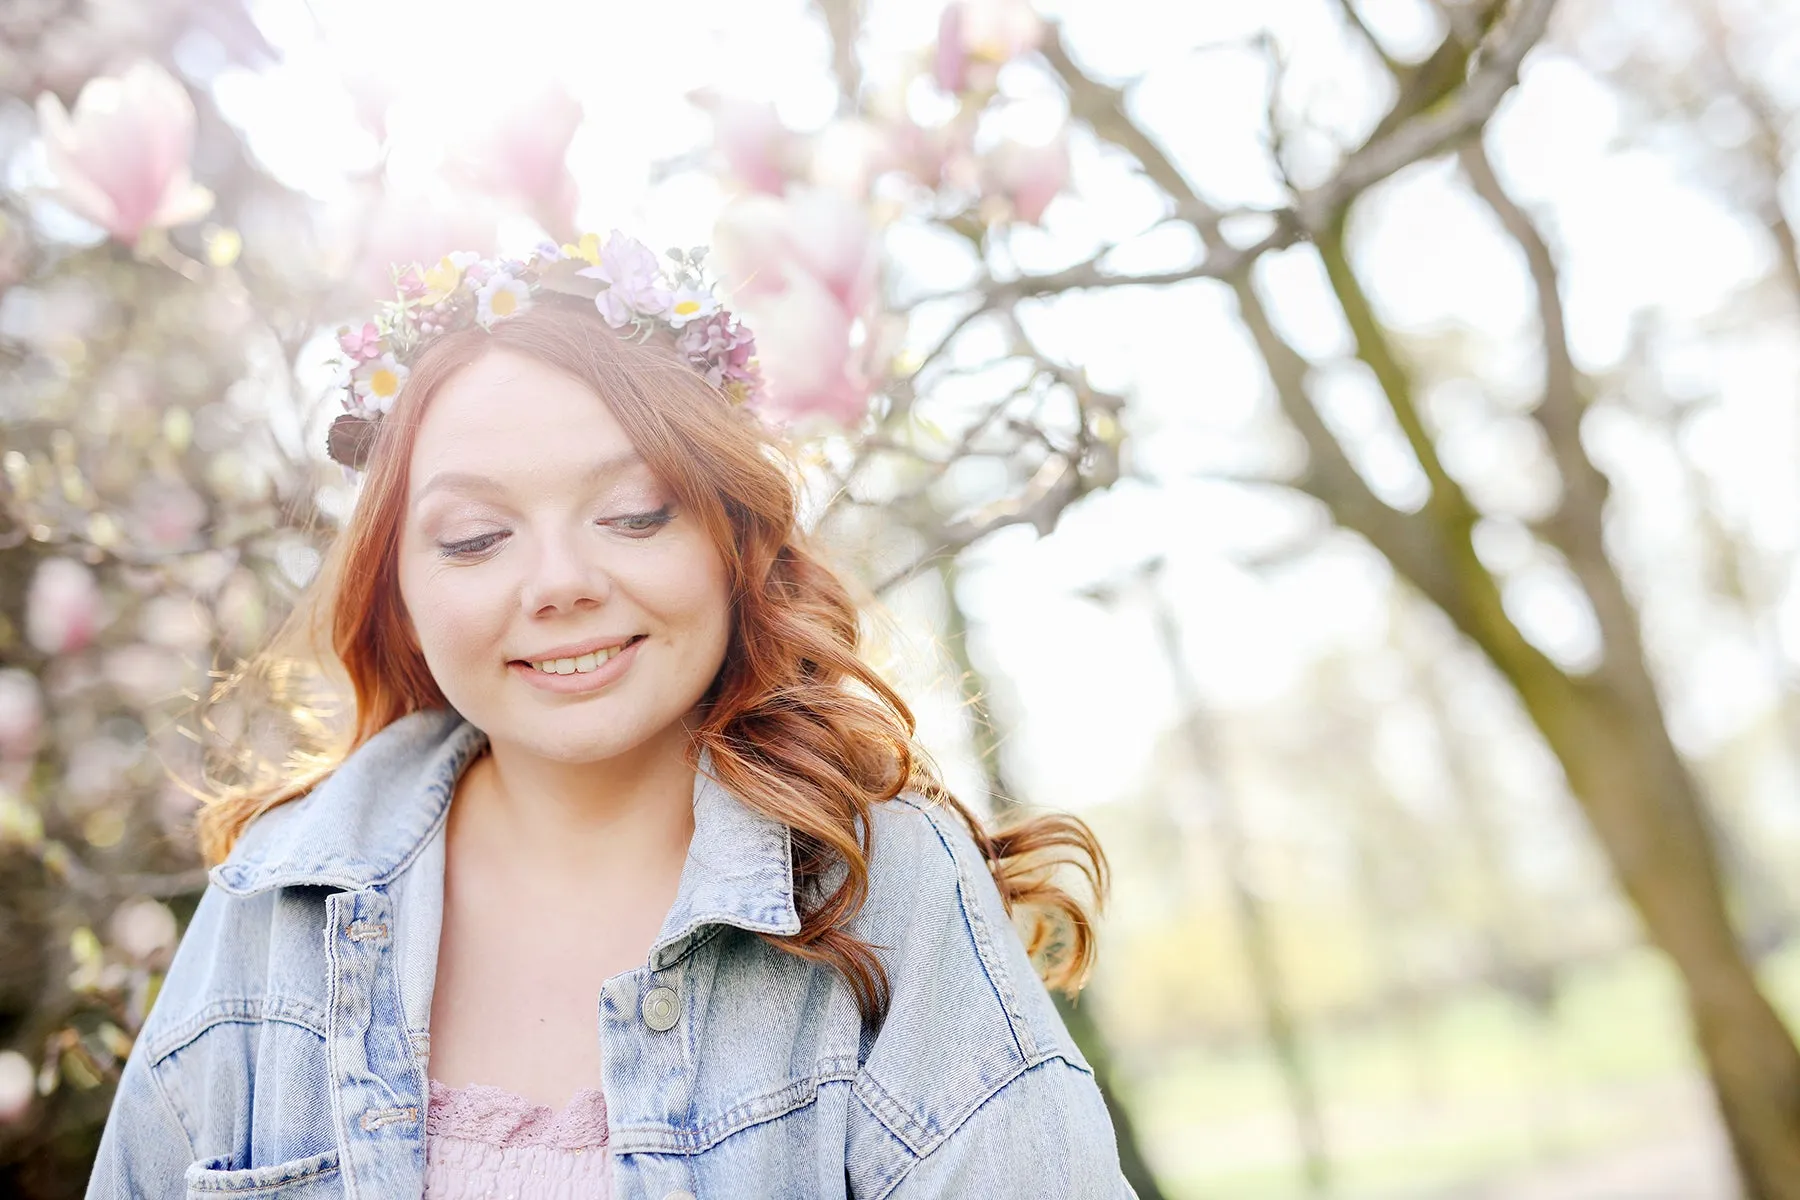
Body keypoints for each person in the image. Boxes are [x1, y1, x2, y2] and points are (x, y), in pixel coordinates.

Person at [85, 232, 1134, 1198]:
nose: (559, 584)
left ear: (733, 536)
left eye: (634, 514)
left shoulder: (881, 880)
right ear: (397, 587)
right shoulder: (276, 902)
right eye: (474, 538)